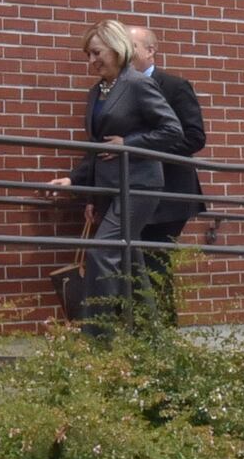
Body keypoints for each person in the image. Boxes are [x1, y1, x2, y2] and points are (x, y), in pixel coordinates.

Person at [59, 20, 187, 333]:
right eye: (88, 55)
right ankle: (152, 336)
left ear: (117, 49)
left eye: (96, 53)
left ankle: (97, 337)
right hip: (108, 188)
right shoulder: (97, 92)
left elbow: (172, 131)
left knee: (102, 253)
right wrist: (81, 187)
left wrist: (128, 144)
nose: (92, 61)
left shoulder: (137, 84)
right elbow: (96, 147)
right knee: (131, 261)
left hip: (139, 185)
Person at [129, 25, 207, 323]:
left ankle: (161, 330)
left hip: (169, 193)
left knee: (154, 262)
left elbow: (194, 137)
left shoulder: (174, 87)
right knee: (133, 262)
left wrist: (141, 148)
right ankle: (139, 328)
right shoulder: (117, 89)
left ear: (151, 51)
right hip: (133, 189)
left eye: (132, 47)